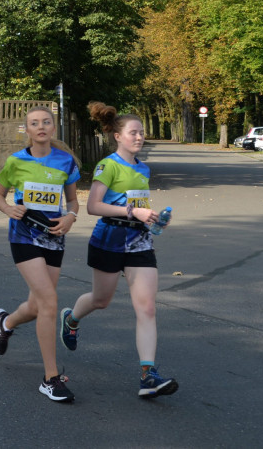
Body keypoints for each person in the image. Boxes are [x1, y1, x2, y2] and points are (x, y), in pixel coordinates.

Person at [59, 101, 179, 399]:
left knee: (147, 307)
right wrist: (132, 212)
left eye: (142, 133)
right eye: (134, 132)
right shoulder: (108, 165)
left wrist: (152, 218)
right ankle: (71, 319)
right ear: (118, 136)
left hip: (139, 242)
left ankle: (148, 375)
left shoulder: (143, 168)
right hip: (109, 239)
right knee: (101, 300)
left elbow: (138, 207)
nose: (139, 137)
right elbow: (92, 206)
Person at [0, 106, 80, 403]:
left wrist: (70, 218)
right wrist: (7, 209)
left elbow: (73, 202)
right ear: (26, 130)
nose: (40, 126)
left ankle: (6, 323)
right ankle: (50, 379)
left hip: (54, 239)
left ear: (53, 128)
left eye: (46, 122)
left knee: (36, 306)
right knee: (50, 303)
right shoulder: (16, 161)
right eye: (34, 123)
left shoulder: (66, 162)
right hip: (24, 236)